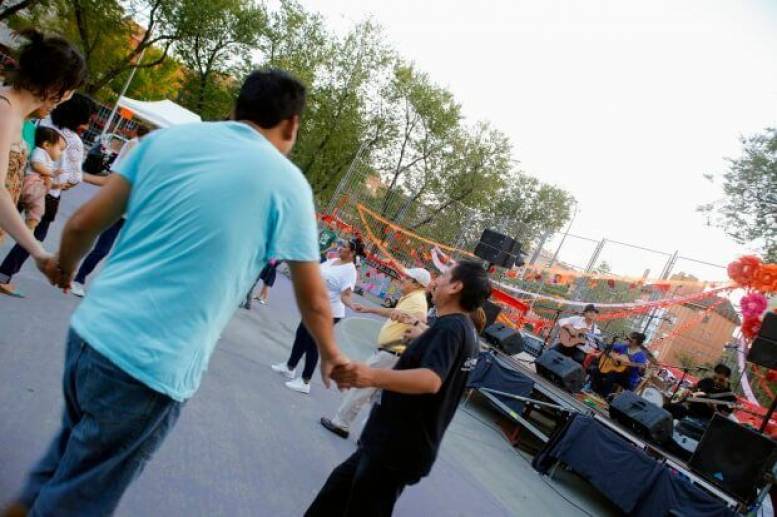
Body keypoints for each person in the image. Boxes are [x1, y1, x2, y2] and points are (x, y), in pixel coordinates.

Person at [6, 69, 349, 516]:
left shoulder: (165, 142)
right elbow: (314, 296)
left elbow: (83, 223)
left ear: (236, 108)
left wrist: (63, 268)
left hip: (91, 333)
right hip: (150, 366)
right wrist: (330, 353)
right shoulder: (287, 185)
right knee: (80, 495)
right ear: (292, 124)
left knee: (68, 455)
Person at [306, 261, 490, 517]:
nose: (435, 282)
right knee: (334, 494)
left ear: (455, 287)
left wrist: (370, 375)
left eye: (443, 276)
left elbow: (431, 380)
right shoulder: (462, 330)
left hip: (396, 447)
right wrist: (423, 336)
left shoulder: (450, 329)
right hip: (389, 442)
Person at [0, 30, 85, 275]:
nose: (66, 100)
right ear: (56, 86)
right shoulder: (5, 112)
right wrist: (39, 253)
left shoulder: (17, 115)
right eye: (70, 91)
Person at [0, 92, 96, 297]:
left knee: (7, 223)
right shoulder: (73, 140)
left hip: (21, 182)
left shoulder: (41, 122)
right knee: (35, 234)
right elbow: (75, 177)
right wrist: (61, 183)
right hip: (47, 193)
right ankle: (4, 274)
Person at [320, 267, 431, 438]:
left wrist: (413, 328)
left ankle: (341, 424)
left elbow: (420, 320)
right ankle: (369, 434)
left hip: (391, 353)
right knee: (379, 399)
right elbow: (394, 313)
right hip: (392, 354)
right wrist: (370, 310)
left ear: (416, 284)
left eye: (407, 278)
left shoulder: (417, 300)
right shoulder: (412, 297)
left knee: (361, 386)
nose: (402, 279)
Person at [272, 238, 365, 394]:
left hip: (329, 312)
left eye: (344, 247)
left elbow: (346, 295)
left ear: (352, 252)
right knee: (301, 335)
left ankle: (305, 381)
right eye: (340, 245)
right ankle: (290, 367)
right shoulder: (333, 261)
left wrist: (352, 305)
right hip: (314, 306)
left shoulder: (350, 271)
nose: (340, 248)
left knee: (312, 343)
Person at [69, 126, 152, 298]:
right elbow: (110, 181)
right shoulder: (133, 147)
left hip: (131, 214)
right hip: (116, 209)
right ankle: (76, 277)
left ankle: (79, 276)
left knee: (111, 251)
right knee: (96, 244)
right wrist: (79, 176)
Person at [19, 127, 65, 229]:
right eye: (60, 149)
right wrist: (52, 173)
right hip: (32, 184)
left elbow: (46, 179)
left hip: (37, 186)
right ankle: (29, 227)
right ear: (46, 145)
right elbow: (36, 165)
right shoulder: (40, 151)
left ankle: (29, 225)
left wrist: (55, 185)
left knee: (37, 209)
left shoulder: (48, 159)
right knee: (38, 209)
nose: (61, 153)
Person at [664, 364, 736, 421]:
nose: (716, 381)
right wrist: (687, 393)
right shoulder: (707, 381)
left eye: (721, 380)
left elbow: (722, 420)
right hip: (689, 411)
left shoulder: (731, 398)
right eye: (715, 378)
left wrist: (714, 409)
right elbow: (692, 390)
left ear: (728, 379)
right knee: (667, 407)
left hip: (704, 421)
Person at [589, 332, 649, 398]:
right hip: (615, 370)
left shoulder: (641, 355)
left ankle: (603, 395)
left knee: (611, 375)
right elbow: (609, 349)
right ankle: (594, 391)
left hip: (628, 378)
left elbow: (641, 372)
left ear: (636, 342)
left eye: (630, 340)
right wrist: (614, 357)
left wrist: (640, 368)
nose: (627, 341)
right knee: (596, 370)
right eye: (627, 339)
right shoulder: (624, 346)